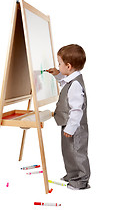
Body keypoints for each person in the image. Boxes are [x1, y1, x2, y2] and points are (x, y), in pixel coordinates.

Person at [47, 44, 90, 190]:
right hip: (69, 124)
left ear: (69, 66)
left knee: (77, 152)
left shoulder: (75, 85)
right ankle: (72, 174)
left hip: (75, 127)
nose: (58, 66)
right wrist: (57, 74)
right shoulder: (71, 80)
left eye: (59, 64)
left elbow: (77, 109)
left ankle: (80, 181)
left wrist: (71, 128)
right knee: (68, 151)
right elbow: (64, 83)